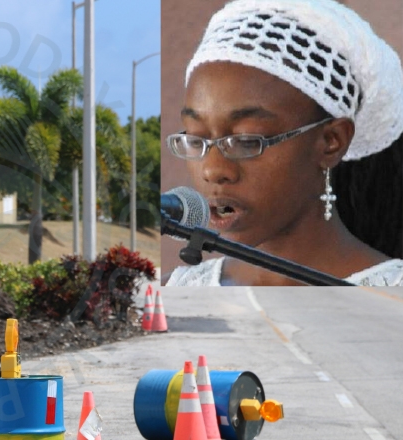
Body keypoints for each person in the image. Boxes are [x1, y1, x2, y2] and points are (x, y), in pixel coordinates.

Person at [164, 0, 403, 286]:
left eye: (246, 140)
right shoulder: (173, 295)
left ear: (331, 142)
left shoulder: (390, 302)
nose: (212, 169)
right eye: (196, 138)